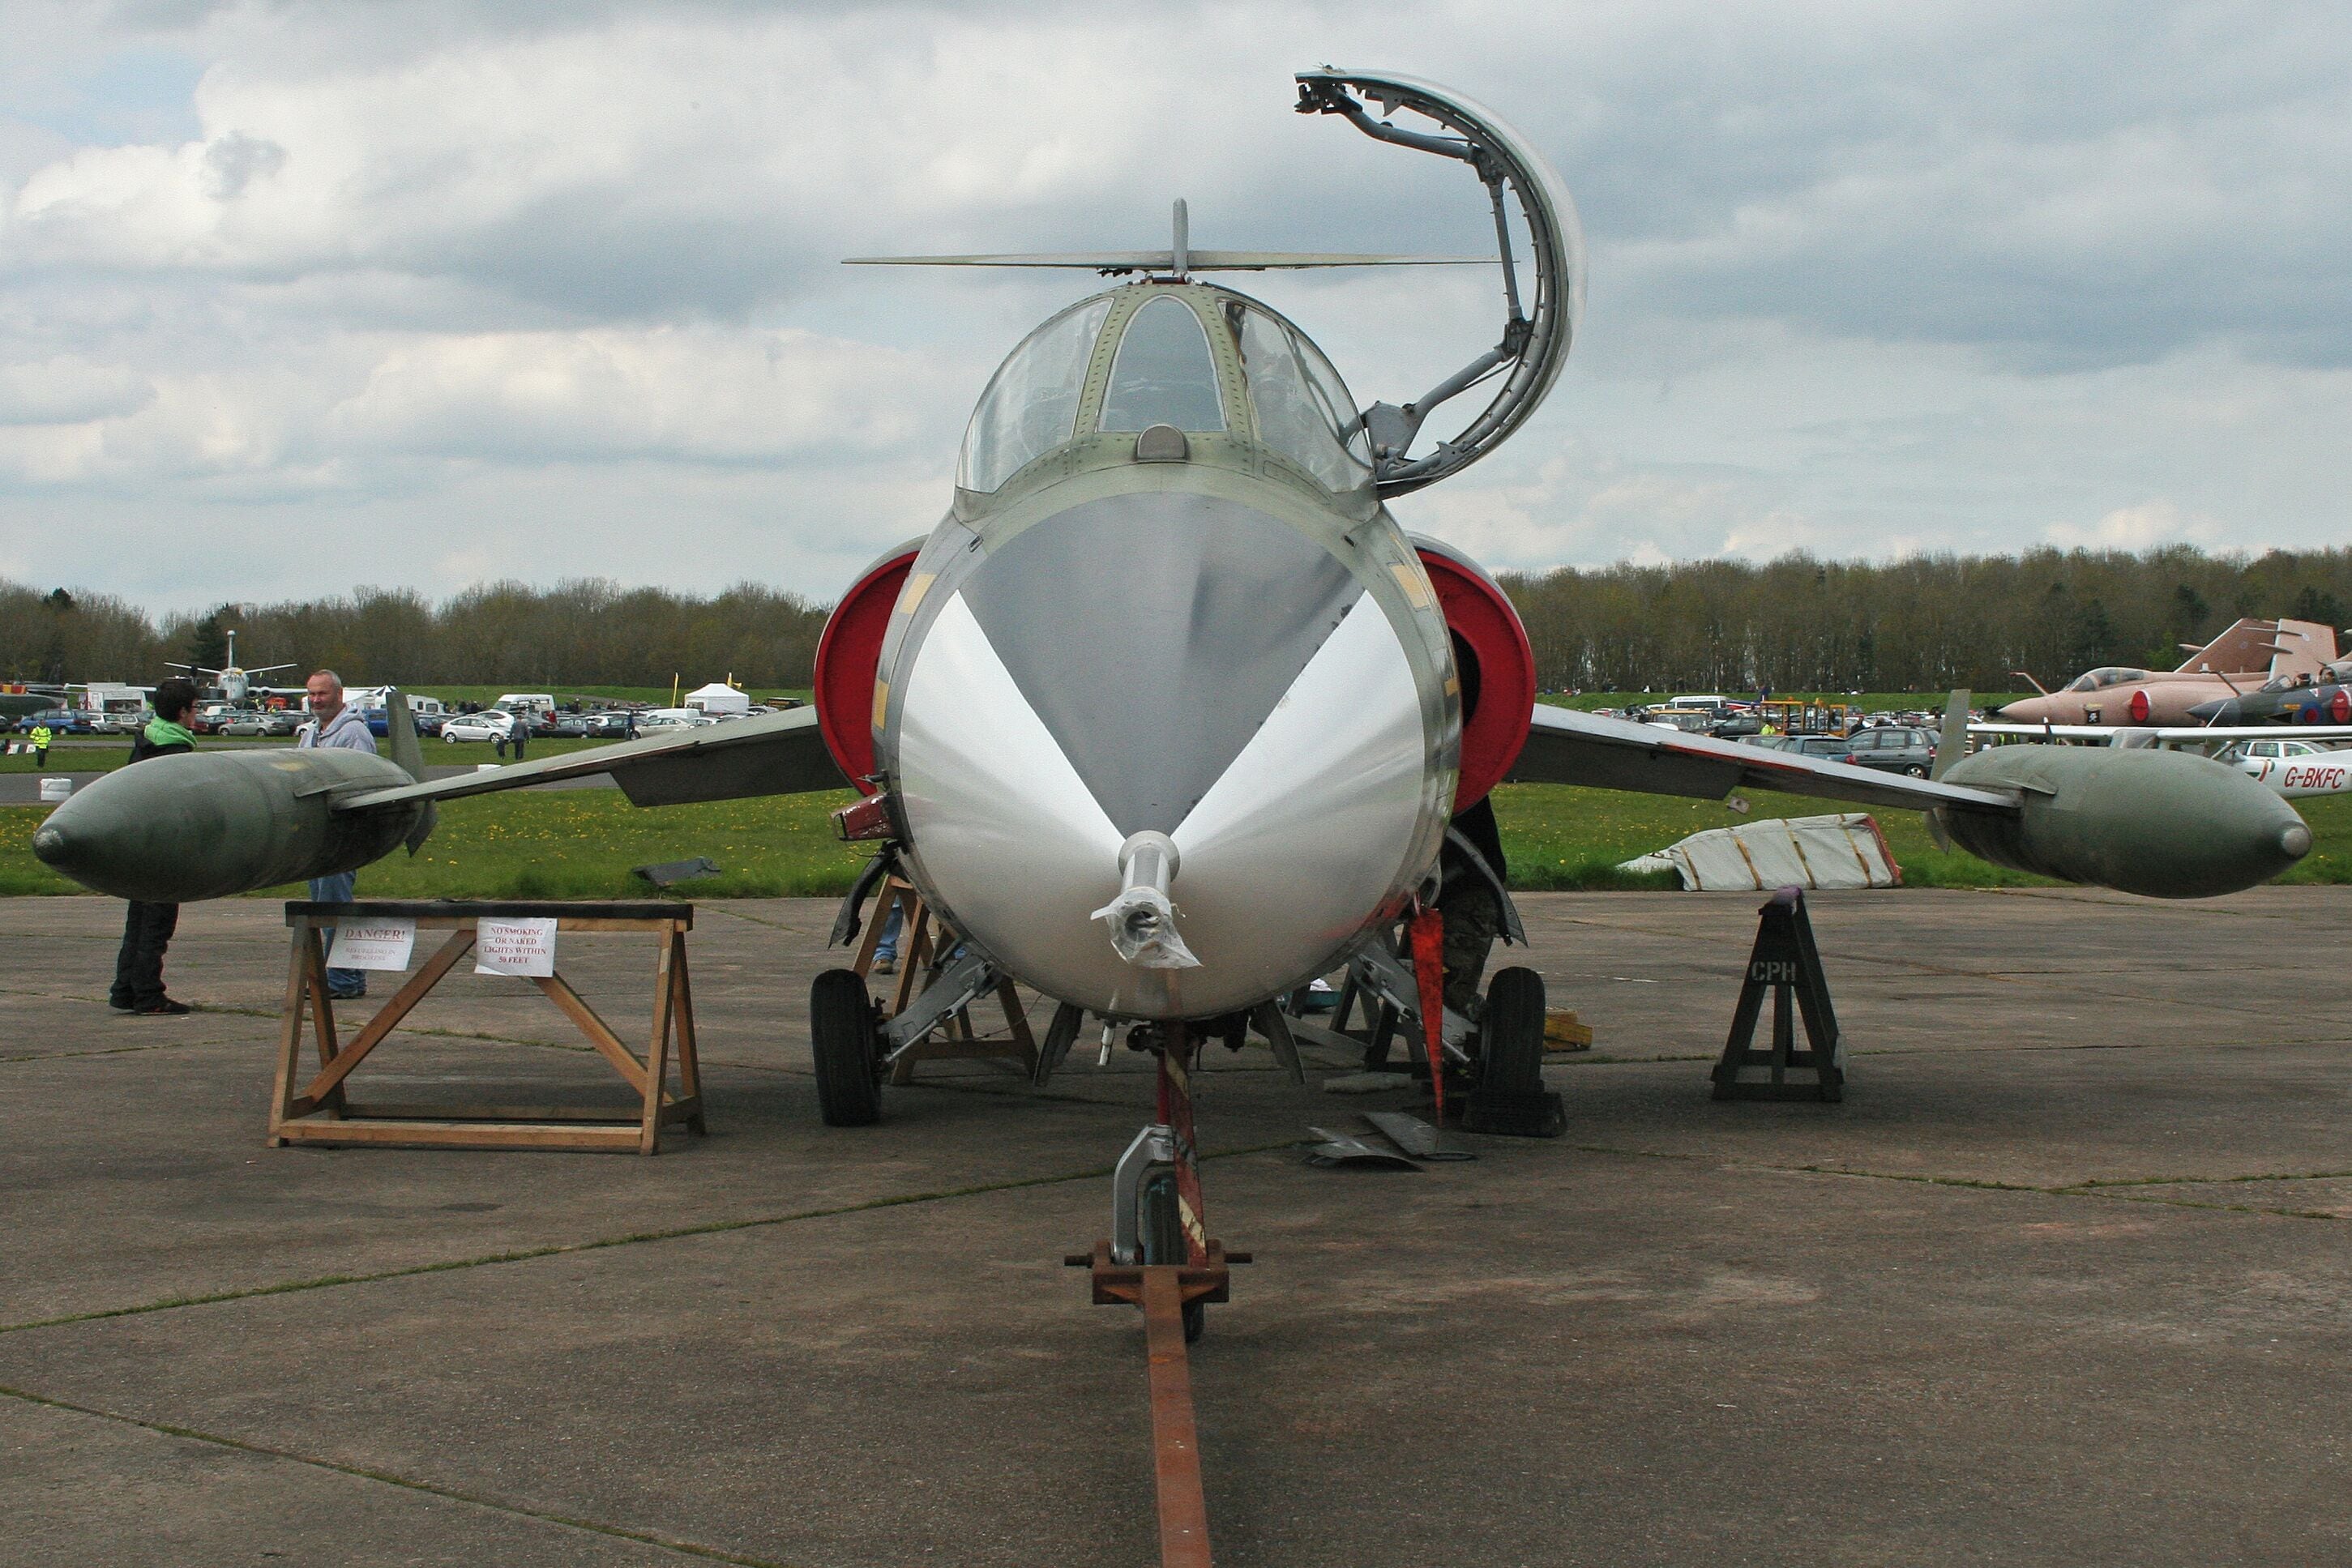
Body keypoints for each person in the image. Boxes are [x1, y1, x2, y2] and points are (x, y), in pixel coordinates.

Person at [109, 677, 199, 1016]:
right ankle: (148, 994)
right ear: (182, 712)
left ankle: (125, 990)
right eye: (195, 708)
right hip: (163, 852)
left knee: (137, 921)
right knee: (157, 925)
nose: (196, 715)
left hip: (139, 848)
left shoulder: (145, 741)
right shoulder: (176, 752)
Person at [297, 670, 378, 1001]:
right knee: (324, 906)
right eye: (312, 694)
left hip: (343, 837)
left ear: (340, 695)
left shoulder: (354, 733)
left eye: (323, 694)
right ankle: (346, 979)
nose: (316, 700)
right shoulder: (311, 733)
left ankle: (342, 980)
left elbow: (365, 781)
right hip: (319, 838)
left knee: (335, 908)